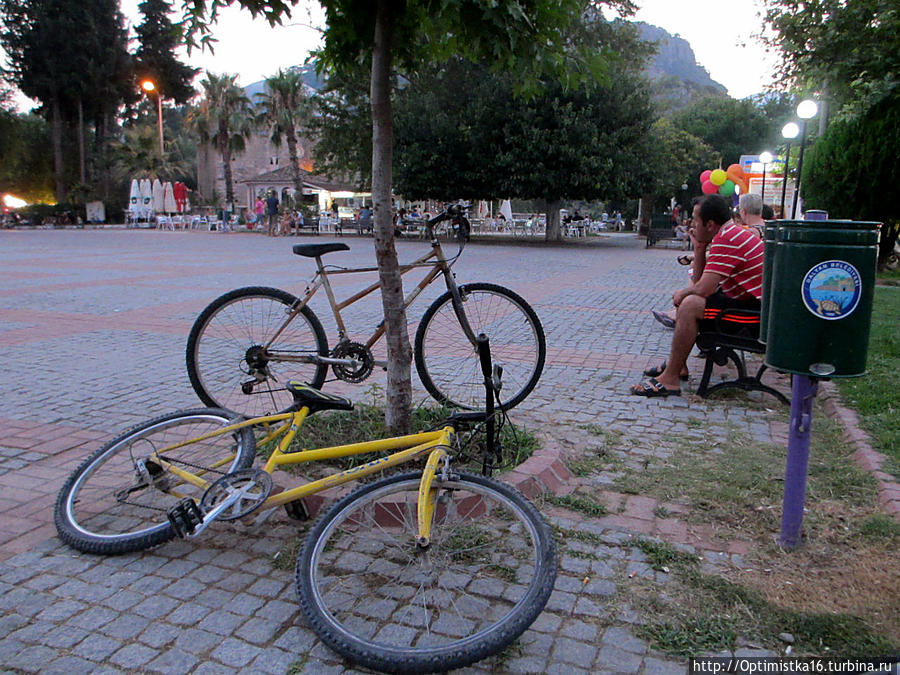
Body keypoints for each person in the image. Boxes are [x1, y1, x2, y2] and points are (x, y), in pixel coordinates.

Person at [632, 194, 763, 396]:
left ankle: (671, 378)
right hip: (748, 305)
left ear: (710, 224)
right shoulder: (730, 233)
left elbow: (703, 289)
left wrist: (682, 293)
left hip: (752, 316)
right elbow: (701, 281)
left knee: (690, 304)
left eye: (695, 219)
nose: (692, 224)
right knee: (691, 300)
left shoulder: (728, 238)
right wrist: (700, 248)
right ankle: (678, 366)